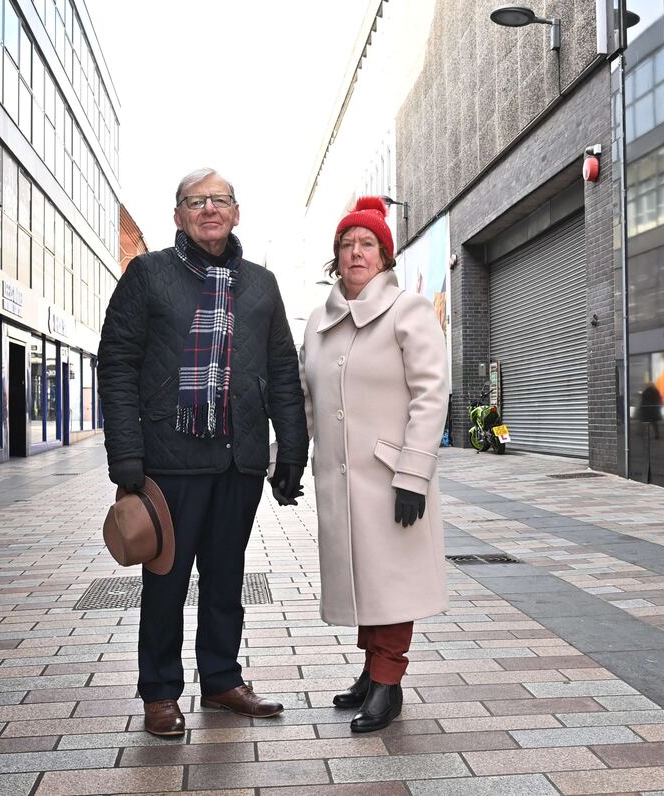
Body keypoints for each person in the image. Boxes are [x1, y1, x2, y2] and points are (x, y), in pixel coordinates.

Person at [97, 168, 308, 738]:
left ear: (237, 213)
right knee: (165, 580)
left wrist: (292, 449)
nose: (209, 209)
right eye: (196, 201)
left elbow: (284, 372)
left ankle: (220, 679)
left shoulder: (262, 284)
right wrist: (127, 458)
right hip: (169, 460)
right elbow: (116, 365)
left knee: (227, 577)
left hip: (239, 459)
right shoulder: (148, 275)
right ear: (178, 216)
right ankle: (160, 692)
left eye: (219, 200)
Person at [299, 196, 449, 733]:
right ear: (335, 257)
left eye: (367, 244)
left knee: (391, 581)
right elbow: (309, 401)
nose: (356, 252)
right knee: (363, 580)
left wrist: (414, 473)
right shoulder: (319, 320)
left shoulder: (409, 311)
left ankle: (389, 682)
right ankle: (370, 672)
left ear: (385, 256)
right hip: (339, 482)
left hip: (392, 479)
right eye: (346, 244)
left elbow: (432, 395)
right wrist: (294, 460)